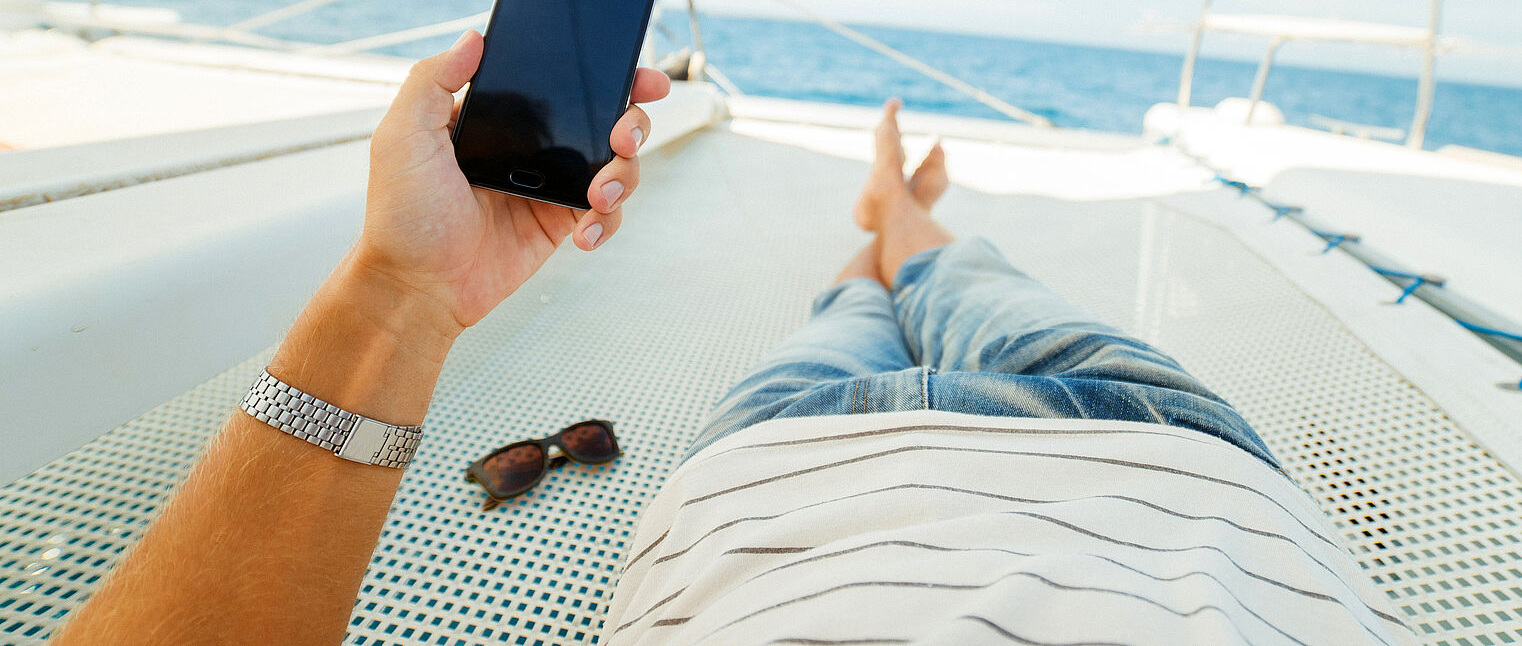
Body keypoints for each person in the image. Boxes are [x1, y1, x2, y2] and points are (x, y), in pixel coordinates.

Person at [55, 36, 1413, 645]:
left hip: (778, 486)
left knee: (856, 305)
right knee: (963, 277)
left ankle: (888, 215)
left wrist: (404, 291)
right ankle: (902, 208)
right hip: (1163, 467)